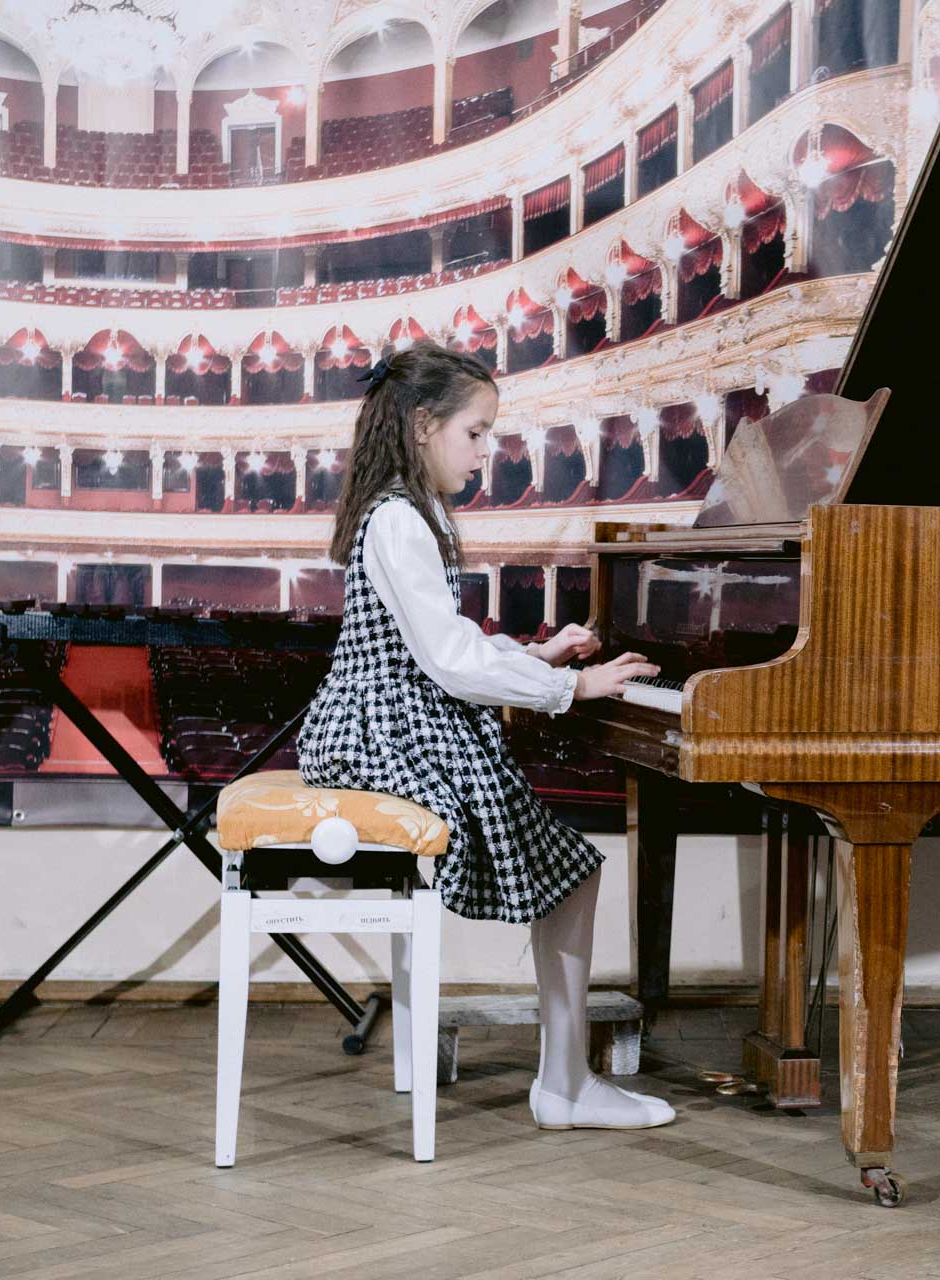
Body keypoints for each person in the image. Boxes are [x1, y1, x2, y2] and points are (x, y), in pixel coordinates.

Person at [296, 340, 671, 1131]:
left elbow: (437, 650)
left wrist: (537, 656)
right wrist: (570, 686)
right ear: (424, 425)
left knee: (568, 870)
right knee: (572, 872)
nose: (483, 452)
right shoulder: (401, 520)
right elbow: (449, 661)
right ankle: (564, 1087)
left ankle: (567, 1081)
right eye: (476, 433)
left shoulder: (401, 511)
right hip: (386, 734)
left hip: (380, 721)